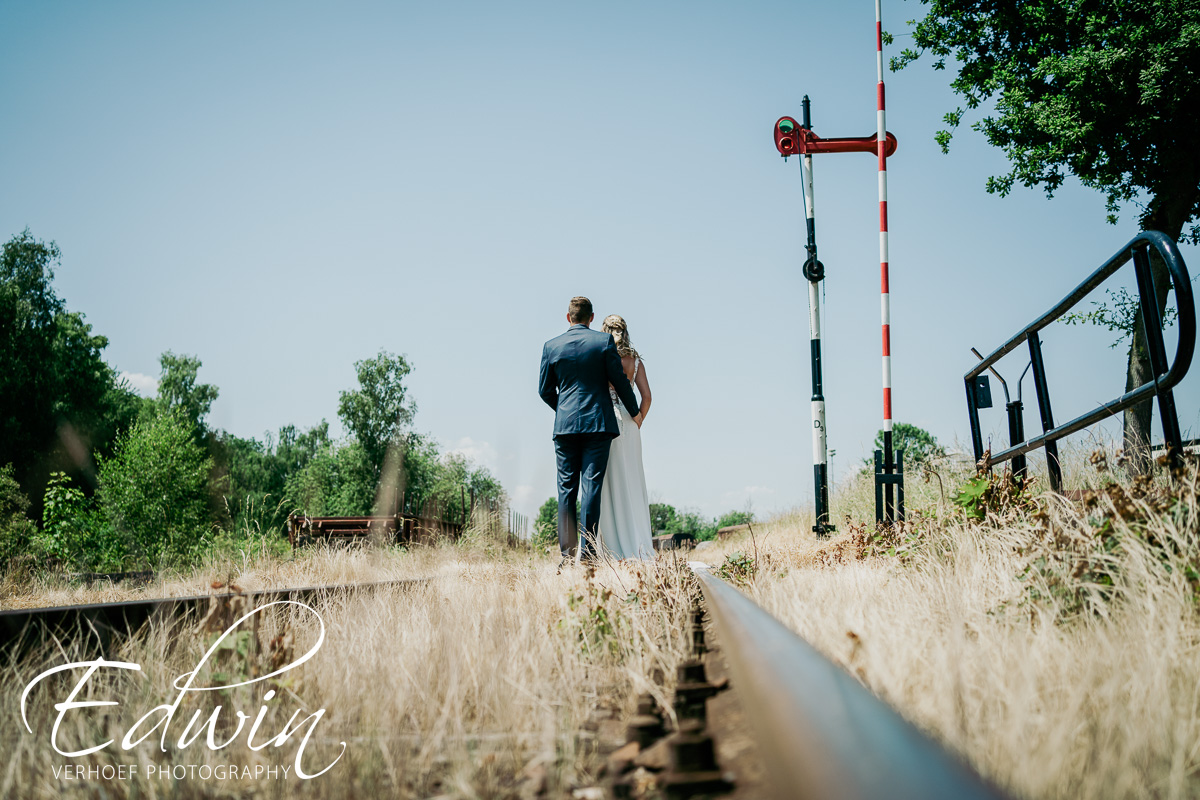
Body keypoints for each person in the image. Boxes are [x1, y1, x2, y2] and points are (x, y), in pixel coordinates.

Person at [539, 297, 642, 565]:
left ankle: (566, 555)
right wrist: (635, 412)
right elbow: (619, 381)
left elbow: (544, 391)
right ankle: (588, 553)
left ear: (568, 317)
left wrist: (563, 410)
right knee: (591, 488)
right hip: (598, 425)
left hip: (565, 427)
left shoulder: (551, 346)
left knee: (566, 490)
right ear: (591, 317)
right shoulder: (603, 342)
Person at [597, 314, 654, 560]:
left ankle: (611, 547)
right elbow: (647, 397)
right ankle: (637, 543)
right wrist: (638, 419)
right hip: (630, 422)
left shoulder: (600, 356)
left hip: (605, 420)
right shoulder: (635, 360)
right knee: (632, 479)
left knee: (610, 481)